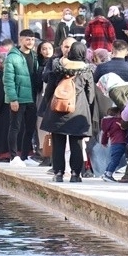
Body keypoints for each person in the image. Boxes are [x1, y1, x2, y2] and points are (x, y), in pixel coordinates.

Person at [39, 41, 95, 182]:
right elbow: (91, 95)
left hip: (57, 110)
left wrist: (48, 105)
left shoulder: (58, 67)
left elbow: (49, 90)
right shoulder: (86, 71)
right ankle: (76, 174)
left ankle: (58, 173)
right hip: (77, 111)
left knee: (58, 143)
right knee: (76, 144)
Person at [4, 30, 40, 166]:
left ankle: (25, 156)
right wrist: (13, 98)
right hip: (18, 98)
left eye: (32, 40)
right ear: (21, 40)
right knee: (15, 127)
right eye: (27, 39)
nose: (30, 42)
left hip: (31, 97)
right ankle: (13, 157)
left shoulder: (34, 56)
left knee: (30, 128)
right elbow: (8, 80)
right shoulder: (12, 57)